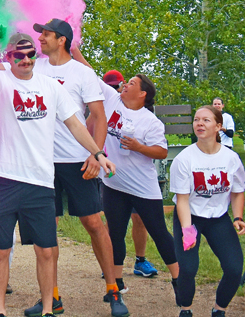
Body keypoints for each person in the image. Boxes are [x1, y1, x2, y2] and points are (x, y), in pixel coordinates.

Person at [0, 33, 115, 317]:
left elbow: (76, 123)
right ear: (8, 57)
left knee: (47, 251)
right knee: (1, 249)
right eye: (18, 56)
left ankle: (49, 313)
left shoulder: (50, 86)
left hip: (40, 181)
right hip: (5, 179)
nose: (25, 60)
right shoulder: (2, 82)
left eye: (29, 55)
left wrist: (98, 152)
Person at [32, 19, 127, 317]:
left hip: (77, 160)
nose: (41, 39)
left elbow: (99, 117)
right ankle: (52, 297)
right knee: (46, 229)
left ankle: (113, 290)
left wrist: (95, 156)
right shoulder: (35, 69)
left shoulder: (82, 73)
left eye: (45, 34)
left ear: (61, 40)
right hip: (43, 163)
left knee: (94, 224)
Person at [73, 48, 181, 299]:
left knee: (159, 232)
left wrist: (139, 147)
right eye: (125, 82)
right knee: (115, 232)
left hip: (143, 188)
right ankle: (117, 284)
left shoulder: (150, 121)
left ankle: (179, 279)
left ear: (142, 94)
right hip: (114, 184)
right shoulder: (111, 100)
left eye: (131, 83)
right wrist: (74, 47)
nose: (124, 84)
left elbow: (162, 152)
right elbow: (89, 72)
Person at [170, 105, 245, 317]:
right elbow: (182, 200)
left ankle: (218, 312)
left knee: (234, 268)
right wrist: (187, 231)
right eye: (196, 120)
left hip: (218, 217)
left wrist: (238, 217)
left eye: (206, 120)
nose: (199, 124)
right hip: (190, 216)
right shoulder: (185, 159)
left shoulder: (231, 158)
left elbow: (237, 190)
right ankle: (185, 311)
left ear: (218, 126)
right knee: (188, 267)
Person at [104, 69, 157, 281]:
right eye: (111, 87)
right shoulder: (109, 103)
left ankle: (140, 260)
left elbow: (159, 149)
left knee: (140, 219)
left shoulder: (145, 115)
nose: (116, 89)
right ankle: (111, 262)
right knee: (113, 223)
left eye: (118, 85)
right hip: (114, 176)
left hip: (139, 179)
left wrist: (138, 146)